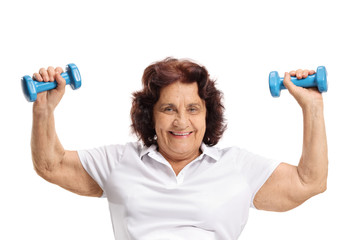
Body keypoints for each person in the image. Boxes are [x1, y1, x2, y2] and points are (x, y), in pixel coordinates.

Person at [31, 57, 328, 240]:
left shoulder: (236, 167)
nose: (181, 121)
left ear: (207, 115)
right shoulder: (119, 161)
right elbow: (51, 164)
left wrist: (312, 107)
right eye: (169, 108)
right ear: (151, 115)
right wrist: (44, 110)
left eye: (193, 109)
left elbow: (309, 181)